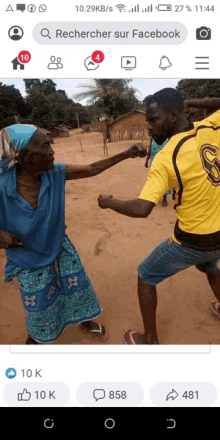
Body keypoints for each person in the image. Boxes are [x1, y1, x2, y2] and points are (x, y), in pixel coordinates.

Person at [0, 125, 146, 344]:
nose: (52, 151)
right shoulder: (3, 185)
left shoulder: (55, 173)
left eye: (51, 144)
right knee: (39, 306)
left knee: (77, 288)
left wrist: (126, 154)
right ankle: (36, 338)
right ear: (22, 155)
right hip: (27, 258)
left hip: (59, 247)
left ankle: (84, 320)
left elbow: (91, 169)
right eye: (45, 146)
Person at [98, 88, 220, 344]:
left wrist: (109, 203)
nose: (149, 128)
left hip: (192, 241)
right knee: (210, 265)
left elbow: (143, 208)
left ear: (175, 116)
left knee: (145, 274)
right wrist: (189, 101)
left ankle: (149, 338)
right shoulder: (210, 127)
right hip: (218, 234)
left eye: (154, 120)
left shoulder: (165, 157)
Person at [145, 137, 171, 207]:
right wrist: (147, 160)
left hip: (165, 162)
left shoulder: (168, 138)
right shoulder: (153, 137)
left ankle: (164, 198)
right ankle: (154, 197)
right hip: (153, 161)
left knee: (165, 179)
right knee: (154, 179)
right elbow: (150, 148)